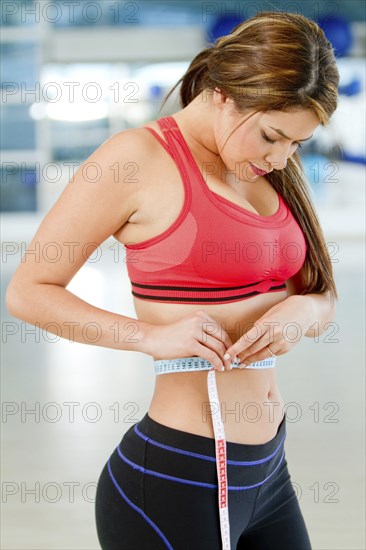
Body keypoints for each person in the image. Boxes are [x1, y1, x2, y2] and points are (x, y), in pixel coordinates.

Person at [6, 10, 340, 550]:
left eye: (296, 145)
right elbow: (28, 291)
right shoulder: (134, 160)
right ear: (224, 94)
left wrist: (307, 312)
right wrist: (151, 338)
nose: (281, 158)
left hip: (269, 472)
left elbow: (319, 294)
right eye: (272, 136)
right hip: (174, 479)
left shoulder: (262, 165)